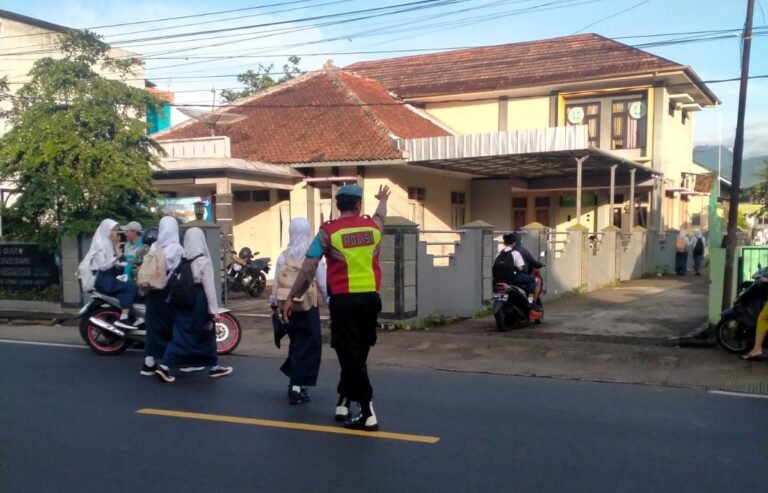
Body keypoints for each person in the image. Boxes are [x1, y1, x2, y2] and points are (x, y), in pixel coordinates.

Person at [282, 184, 389, 432]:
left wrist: (291, 296)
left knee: (349, 354)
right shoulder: (373, 228)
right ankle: (343, 401)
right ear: (359, 205)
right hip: (370, 300)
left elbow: (309, 267)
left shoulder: (328, 232)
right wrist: (382, 199)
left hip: (344, 301)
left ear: (338, 206)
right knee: (357, 353)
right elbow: (381, 215)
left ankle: (367, 409)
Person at [155, 228, 233, 383]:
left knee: (182, 334)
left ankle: (210, 366)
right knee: (205, 334)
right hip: (198, 301)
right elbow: (209, 288)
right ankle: (209, 366)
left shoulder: (183, 258)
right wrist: (214, 310)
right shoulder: (203, 260)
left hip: (182, 301)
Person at [270, 217, 328, 405]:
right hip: (308, 306)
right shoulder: (312, 256)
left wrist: (274, 304)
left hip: (288, 308)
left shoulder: (282, 256)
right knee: (309, 346)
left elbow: (276, 283)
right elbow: (323, 283)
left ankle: (295, 383)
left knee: (296, 344)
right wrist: (329, 302)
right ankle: (297, 386)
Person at [140, 217, 184, 376]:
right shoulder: (176, 249)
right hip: (167, 291)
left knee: (153, 327)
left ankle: (148, 363)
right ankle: (171, 361)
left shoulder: (154, 246)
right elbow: (178, 271)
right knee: (172, 325)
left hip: (152, 290)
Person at [88, 219, 139, 330]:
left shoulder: (107, 243)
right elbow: (103, 266)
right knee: (130, 287)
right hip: (102, 279)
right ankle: (124, 318)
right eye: (113, 230)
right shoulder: (99, 245)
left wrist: (116, 246)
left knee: (127, 285)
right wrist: (116, 257)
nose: (116, 232)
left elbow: (119, 262)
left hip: (108, 277)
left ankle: (127, 316)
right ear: (106, 229)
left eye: (116, 230)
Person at [492, 233, 539, 305]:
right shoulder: (515, 253)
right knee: (533, 279)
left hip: (498, 279)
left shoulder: (498, 254)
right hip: (513, 278)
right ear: (514, 243)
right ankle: (530, 302)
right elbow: (520, 268)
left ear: (504, 243)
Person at [513, 237, 545, 302]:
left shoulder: (505, 251)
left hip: (505, 277)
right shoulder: (521, 250)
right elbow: (532, 261)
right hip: (518, 275)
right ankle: (532, 302)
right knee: (536, 280)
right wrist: (540, 264)